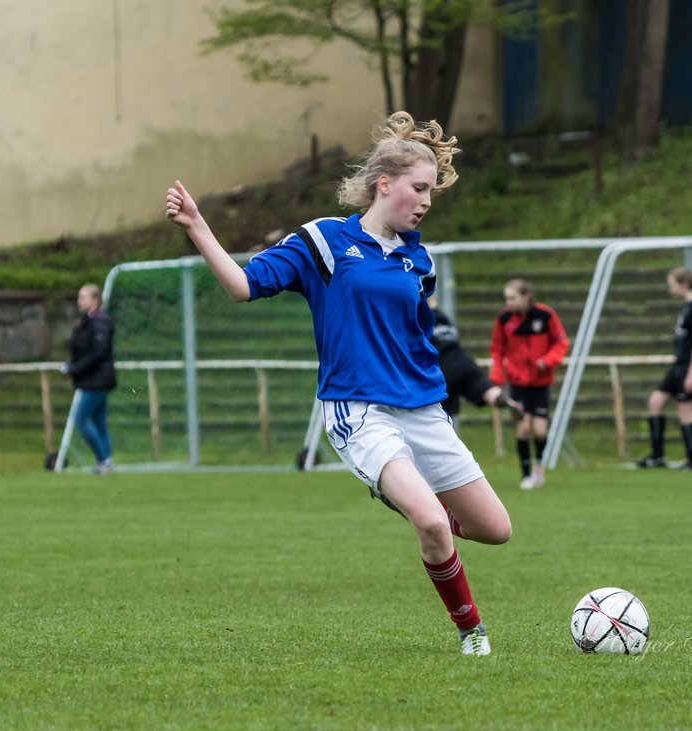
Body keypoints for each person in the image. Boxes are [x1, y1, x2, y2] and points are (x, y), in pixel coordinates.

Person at [166, 111, 511, 656]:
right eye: (418, 189)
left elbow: (418, 340)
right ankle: (473, 633)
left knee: (496, 529)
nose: (425, 201)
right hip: (359, 409)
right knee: (430, 523)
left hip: (422, 408)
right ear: (384, 184)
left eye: (431, 192)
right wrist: (198, 227)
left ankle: (408, 498)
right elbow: (243, 286)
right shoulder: (324, 242)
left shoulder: (418, 261)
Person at [489, 278, 569, 489]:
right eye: (507, 298)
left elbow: (561, 342)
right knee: (523, 428)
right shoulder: (504, 318)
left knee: (540, 430)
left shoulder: (546, 315)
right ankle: (526, 475)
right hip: (517, 383)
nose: (509, 302)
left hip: (541, 382)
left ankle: (539, 468)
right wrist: (497, 377)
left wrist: (548, 361)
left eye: (512, 298)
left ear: (526, 296)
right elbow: (497, 349)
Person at [637, 268, 692, 470]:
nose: (670, 287)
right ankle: (657, 456)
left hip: (689, 367)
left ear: (684, 284)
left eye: (672, 283)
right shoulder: (687, 307)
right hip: (678, 365)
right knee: (656, 401)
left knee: (685, 410)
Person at [427, 295, 522, 422]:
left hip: (443, 367)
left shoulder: (420, 318)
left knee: (442, 416)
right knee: (485, 388)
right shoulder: (442, 316)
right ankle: (498, 397)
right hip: (464, 361)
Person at [61, 283, 116, 474]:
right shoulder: (88, 321)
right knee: (99, 422)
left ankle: (104, 460)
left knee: (81, 419)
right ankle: (106, 463)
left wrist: (74, 369)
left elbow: (98, 352)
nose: (79, 301)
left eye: (83, 297)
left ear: (95, 300)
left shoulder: (100, 321)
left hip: (98, 380)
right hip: (92, 378)